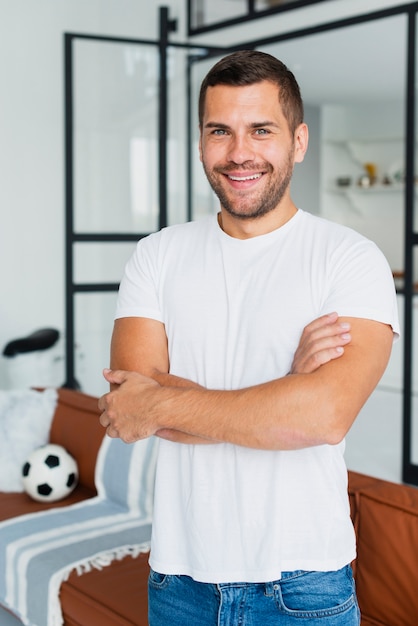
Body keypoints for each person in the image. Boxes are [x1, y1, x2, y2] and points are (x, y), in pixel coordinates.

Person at [98, 50, 399, 625]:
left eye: (261, 130)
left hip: (304, 584)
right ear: (201, 141)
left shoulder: (351, 260)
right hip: (179, 582)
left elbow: (325, 417)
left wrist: (165, 399)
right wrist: (288, 392)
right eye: (220, 131)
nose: (239, 153)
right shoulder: (156, 256)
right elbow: (131, 412)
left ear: (298, 141)